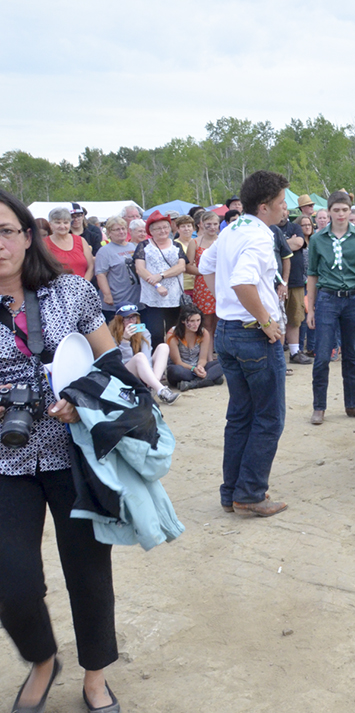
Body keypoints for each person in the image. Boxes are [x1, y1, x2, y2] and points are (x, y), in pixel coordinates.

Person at [0, 189, 129, 713]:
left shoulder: (72, 291)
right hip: (6, 460)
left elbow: (112, 362)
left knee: (88, 573)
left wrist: (82, 401)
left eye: (4, 231)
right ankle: (42, 658)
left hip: (73, 451)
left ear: (27, 235)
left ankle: (95, 676)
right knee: (12, 579)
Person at [198, 170, 290, 517]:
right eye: (281, 203)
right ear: (264, 207)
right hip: (253, 334)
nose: (285, 210)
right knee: (268, 417)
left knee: (240, 415)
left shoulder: (232, 228)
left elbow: (206, 265)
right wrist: (266, 321)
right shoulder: (260, 237)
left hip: (229, 332)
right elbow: (242, 281)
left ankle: (232, 491)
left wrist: (226, 302)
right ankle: (250, 493)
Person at [305, 190, 355, 425]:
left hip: (352, 300)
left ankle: (352, 404)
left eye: (345, 210)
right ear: (329, 212)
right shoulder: (317, 239)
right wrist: (311, 308)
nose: (341, 214)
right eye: (336, 210)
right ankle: (319, 407)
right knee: (323, 355)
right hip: (326, 299)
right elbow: (312, 274)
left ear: (350, 211)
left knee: (351, 355)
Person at [134, 210, 187, 349]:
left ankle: (173, 360)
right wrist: (157, 285)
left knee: (173, 332)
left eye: (165, 227)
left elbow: (181, 267)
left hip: (174, 296)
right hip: (153, 297)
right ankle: (156, 362)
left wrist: (161, 275)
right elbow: (140, 269)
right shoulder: (144, 246)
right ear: (151, 231)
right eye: (158, 228)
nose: (162, 231)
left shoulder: (176, 246)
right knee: (156, 333)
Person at [108, 304, 178, 403]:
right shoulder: (110, 334)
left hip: (144, 371)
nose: (132, 321)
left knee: (163, 347)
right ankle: (161, 390)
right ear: (118, 319)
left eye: (134, 317)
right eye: (127, 318)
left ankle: (154, 387)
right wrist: (125, 340)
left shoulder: (143, 332)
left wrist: (149, 378)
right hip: (122, 372)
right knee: (139, 357)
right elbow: (121, 362)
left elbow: (147, 357)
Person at [165, 305, 223, 391]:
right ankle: (209, 379)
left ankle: (193, 384)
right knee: (176, 371)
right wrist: (193, 369)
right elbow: (177, 362)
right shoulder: (173, 334)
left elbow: (203, 358)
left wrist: (200, 367)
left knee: (223, 363)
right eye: (192, 321)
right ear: (183, 321)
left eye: (198, 320)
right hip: (183, 369)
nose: (196, 324)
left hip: (197, 366)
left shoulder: (204, 333)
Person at [95, 216, 140, 321]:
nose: (121, 232)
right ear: (109, 233)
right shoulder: (104, 251)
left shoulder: (134, 247)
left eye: (123, 228)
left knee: (137, 331)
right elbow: (100, 274)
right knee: (117, 332)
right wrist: (107, 295)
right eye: (117, 229)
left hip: (136, 299)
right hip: (116, 301)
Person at [286, 214, 314, 362]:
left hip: (299, 282)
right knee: (278, 318)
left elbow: (298, 243)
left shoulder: (294, 227)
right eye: (304, 225)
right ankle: (278, 353)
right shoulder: (271, 228)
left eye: (309, 224)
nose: (307, 227)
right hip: (278, 283)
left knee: (297, 318)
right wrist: (288, 242)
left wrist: (280, 243)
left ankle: (296, 351)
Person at [188, 210, 220, 342]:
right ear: (201, 224)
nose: (212, 227)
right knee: (206, 323)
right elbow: (188, 266)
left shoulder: (222, 240)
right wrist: (205, 271)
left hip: (221, 283)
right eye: (208, 224)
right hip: (203, 285)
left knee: (221, 321)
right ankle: (208, 353)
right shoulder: (194, 242)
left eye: (215, 224)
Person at [44, 207, 94, 280]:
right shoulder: (44, 243)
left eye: (66, 222)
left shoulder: (81, 241)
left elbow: (91, 266)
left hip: (82, 288)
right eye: (58, 223)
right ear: (50, 224)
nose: (62, 226)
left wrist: (83, 285)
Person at [174, 215, 197, 296]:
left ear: (193, 228)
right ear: (178, 229)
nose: (186, 229)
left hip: (197, 284)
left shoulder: (196, 242)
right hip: (183, 285)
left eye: (189, 226)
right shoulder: (175, 244)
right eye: (183, 226)